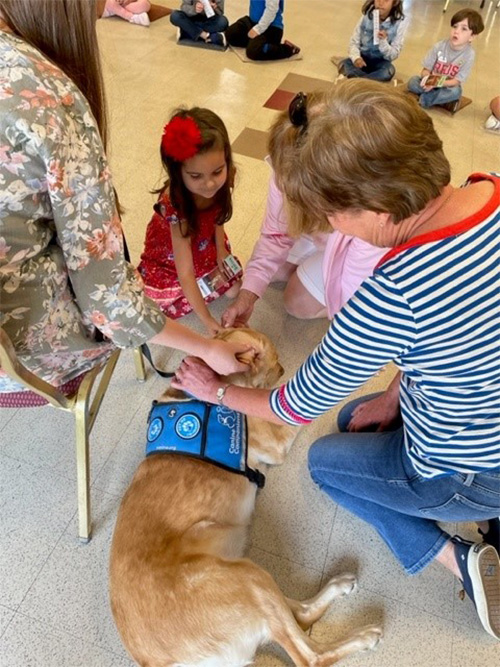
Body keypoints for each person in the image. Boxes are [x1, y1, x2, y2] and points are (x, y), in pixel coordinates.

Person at [172, 80, 500, 642]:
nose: (332, 230)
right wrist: (397, 393)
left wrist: (214, 392)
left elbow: (291, 407)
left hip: (473, 465)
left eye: (332, 217)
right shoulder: (487, 187)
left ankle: (459, 559)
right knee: (355, 418)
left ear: (366, 206)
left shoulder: (393, 291)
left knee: (327, 462)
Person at [0, 0, 250, 399]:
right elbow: (106, 295)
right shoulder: (47, 98)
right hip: (25, 354)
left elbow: (217, 233)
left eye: (218, 173)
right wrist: (208, 343)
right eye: (198, 175)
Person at [222, 161, 386, 326]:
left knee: (297, 303)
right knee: (267, 273)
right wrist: (247, 297)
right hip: (325, 233)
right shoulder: (285, 165)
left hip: (354, 248)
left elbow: (353, 286)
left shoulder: (368, 213)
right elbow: (275, 236)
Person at [138, 108, 241, 335]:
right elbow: (184, 272)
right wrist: (208, 321)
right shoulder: (175, 203)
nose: (210, 184)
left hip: (205, 242)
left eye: (217, 171)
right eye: (196, 176)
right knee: (157, 306)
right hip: (173, 257)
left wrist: (221, 250)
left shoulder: (226, 175)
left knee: (234, 290)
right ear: (178, 173)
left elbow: (218, 215)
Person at [407, 8, 484, 111]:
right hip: (431, 81)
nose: (456, 31)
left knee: (456, 92)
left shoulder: (469, 55)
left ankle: (423, 100)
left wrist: (438, 83)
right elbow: (425, 70)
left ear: (472, 37)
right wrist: (430, 81)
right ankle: (437, 99)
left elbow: (456, 81)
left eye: (464, 29)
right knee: (413, 82)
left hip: (447, 86)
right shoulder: (439, 46)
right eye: (455, 26)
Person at [335, 0, 407, 82]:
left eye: (386, 0)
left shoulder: (400, 23)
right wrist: (356, 58)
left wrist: (383, 42)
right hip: (362, 58)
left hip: (380, 62)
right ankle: (368, 83)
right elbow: (354, 42)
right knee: (345, 63)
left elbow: (394, 54)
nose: (381, 3)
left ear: (395, 2)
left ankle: (357, 81)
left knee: (389, 70)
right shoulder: (366, 16)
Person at [225, 0, 300, 61]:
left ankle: (288, 49)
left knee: (253, 52)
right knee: (231, 34)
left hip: (271, 27)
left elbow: (272, 10)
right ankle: (255, 42)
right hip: (253, 21)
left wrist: (258, 29)